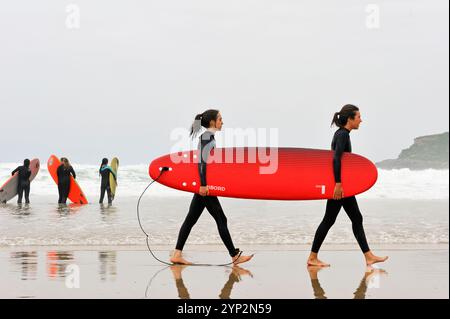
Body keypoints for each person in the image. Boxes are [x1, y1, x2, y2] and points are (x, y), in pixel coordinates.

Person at [307, 104, 389, 267]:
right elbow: (336, 159)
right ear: (350, 119)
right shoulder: (343, 135)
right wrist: (338, 184)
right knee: (333, 220)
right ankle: (312, 258)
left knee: (348, 218)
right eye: (358, 117)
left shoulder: (342, 134)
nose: (361, 120)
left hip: (344, 185)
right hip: (341, 186)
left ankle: (368, 256)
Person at [170, 109, 253, 266]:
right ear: (212, 122)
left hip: (205, 186)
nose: (222, 121)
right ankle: (235, 256)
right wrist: (203, 185)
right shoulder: (207, 137)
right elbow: (202, 161)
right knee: (221, 219)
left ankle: (177, 254)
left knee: (191, 219)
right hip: (205, 187)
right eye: (220, 119)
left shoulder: (208, 137)